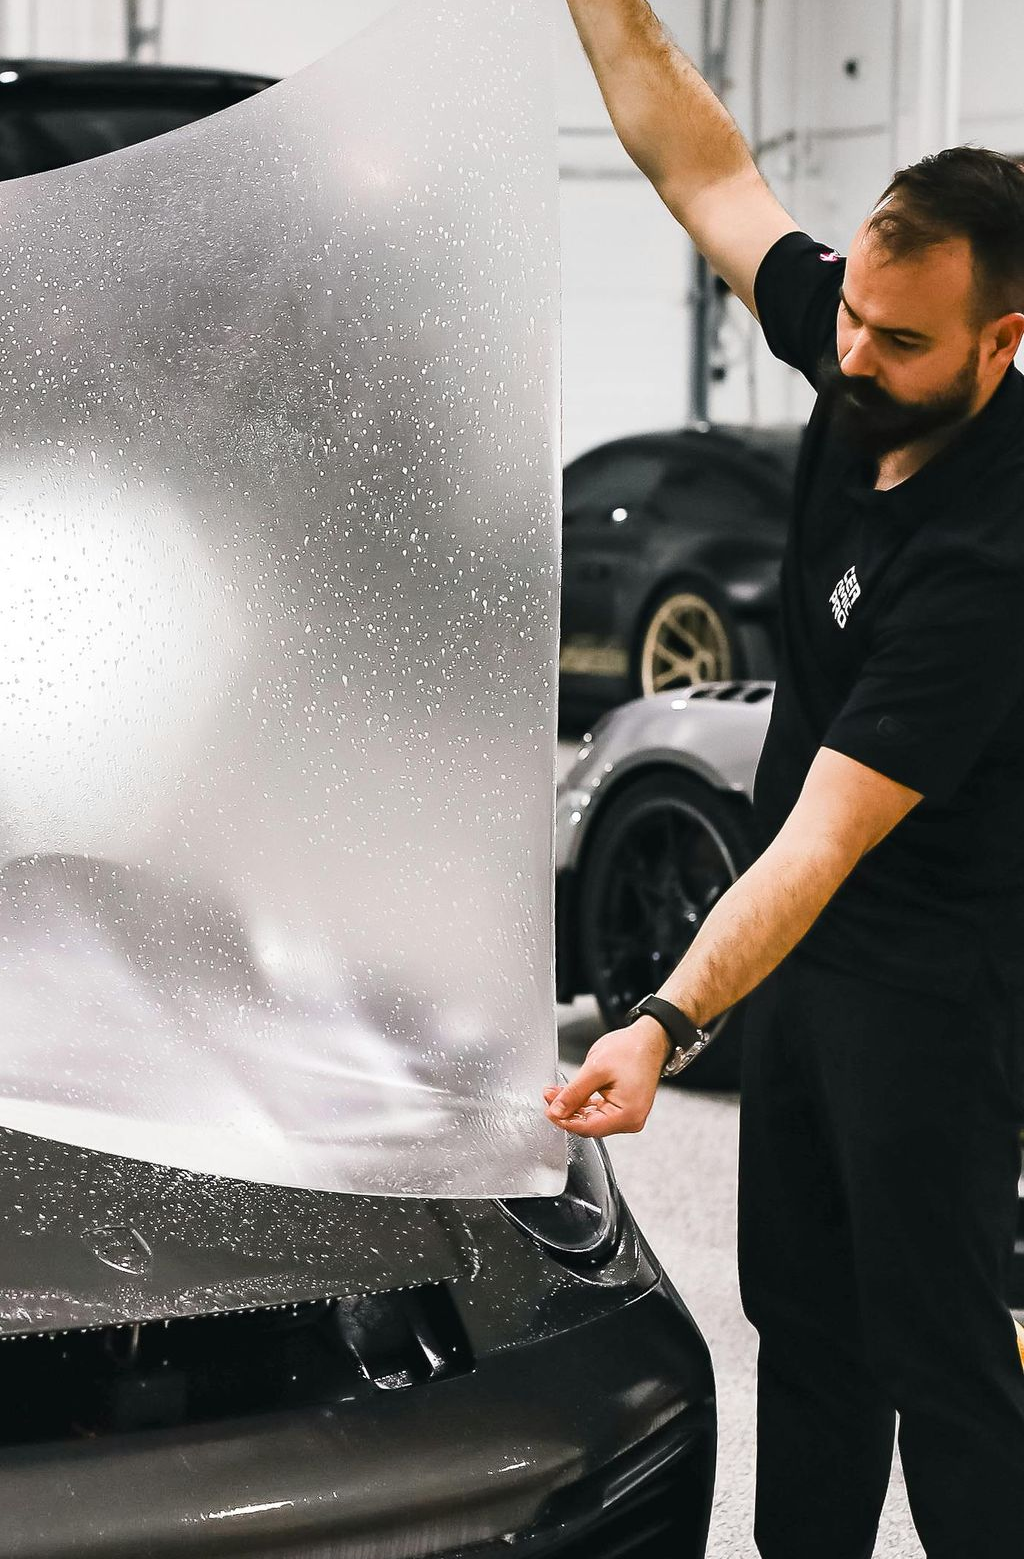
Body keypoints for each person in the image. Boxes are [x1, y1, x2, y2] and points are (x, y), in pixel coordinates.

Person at [548, 4, 1024, 1555]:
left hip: (939, 985)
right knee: (805, 1334)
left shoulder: (988, 554)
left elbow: (821, 835)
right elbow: (700, 164)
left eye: (900, 343)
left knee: (944, 1364)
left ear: (1003, 342)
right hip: (820, 974)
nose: (853, 356)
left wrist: (668, 1018)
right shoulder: (853, 326)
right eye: (851, 320)